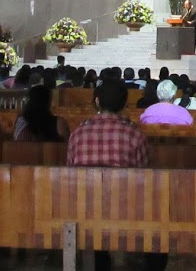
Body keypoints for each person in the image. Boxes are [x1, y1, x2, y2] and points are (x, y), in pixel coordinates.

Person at [67, 79, 166, 271]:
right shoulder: (134, 134)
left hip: (85, 210)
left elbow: (70, 172)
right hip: (127, 212)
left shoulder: (78, 133)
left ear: (97, 102)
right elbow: (145, 175)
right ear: (124, 104)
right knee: (160, 234)